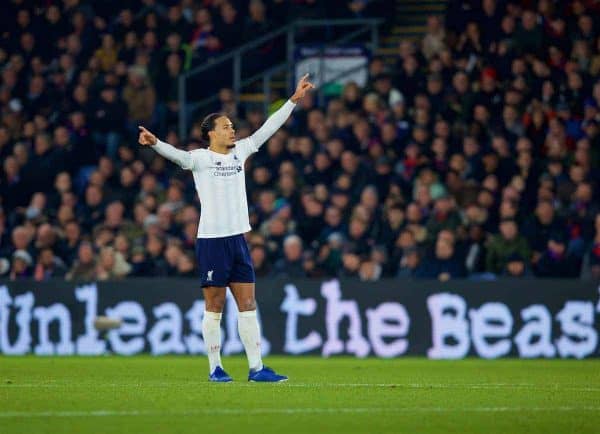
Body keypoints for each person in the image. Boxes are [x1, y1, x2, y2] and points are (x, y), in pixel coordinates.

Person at [138, 74, 314, 382]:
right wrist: (155, 144)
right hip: (212, 241)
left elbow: (269, 128)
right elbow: (177, 156)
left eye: (232, 125)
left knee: (247, 304)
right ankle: (215, 367)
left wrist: (293, 100)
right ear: (210, 134)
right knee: (215, 305)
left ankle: (257, 368)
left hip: (237, 240)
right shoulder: (200, 159)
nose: (232, 129)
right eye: (226, 126)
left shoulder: (241, 152)